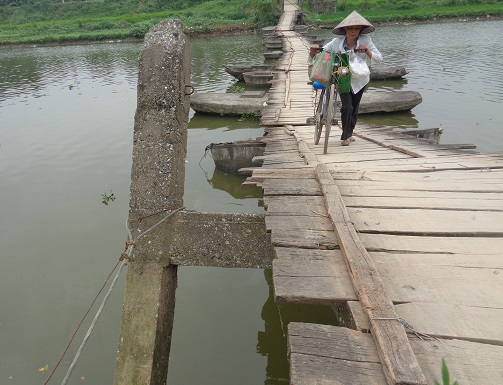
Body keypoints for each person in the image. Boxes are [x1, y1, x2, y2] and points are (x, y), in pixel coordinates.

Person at [310, 11, 383, 146]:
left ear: (361, 30)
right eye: (350, 28)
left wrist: (366, 51)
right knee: (347, 107)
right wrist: (314, 52)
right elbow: (322, 52)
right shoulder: (336, 42)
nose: (353, 31)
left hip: (360, 79)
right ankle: (345, 136)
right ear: (345, 29)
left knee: (355, 108)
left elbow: (379, 58)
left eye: (356, 28)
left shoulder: (366, 41)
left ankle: (349, 133)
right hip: (343, 77)